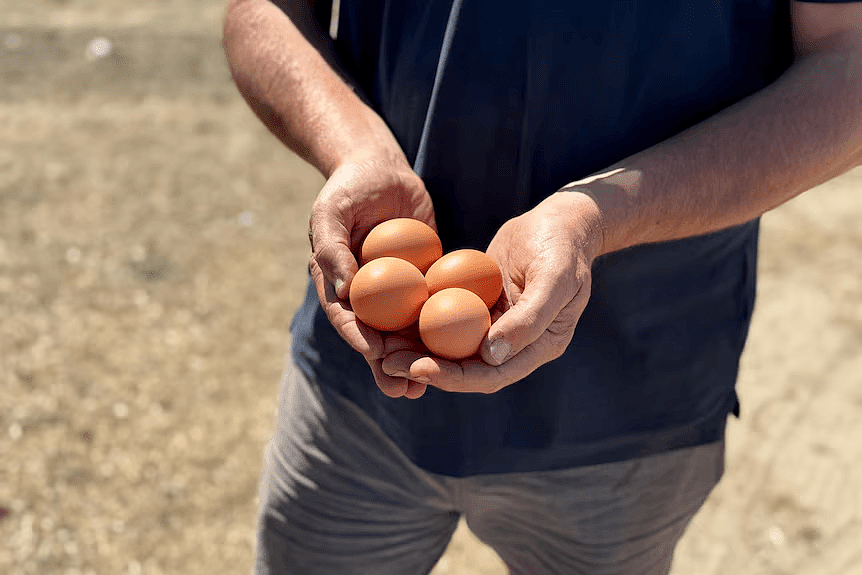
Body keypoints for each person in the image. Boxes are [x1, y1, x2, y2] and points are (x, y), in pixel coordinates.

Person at [223, 0, 862, 573]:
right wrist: (354, 149)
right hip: (358, 387)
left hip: (630, 403)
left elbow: (848, 63)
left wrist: (600, 216)